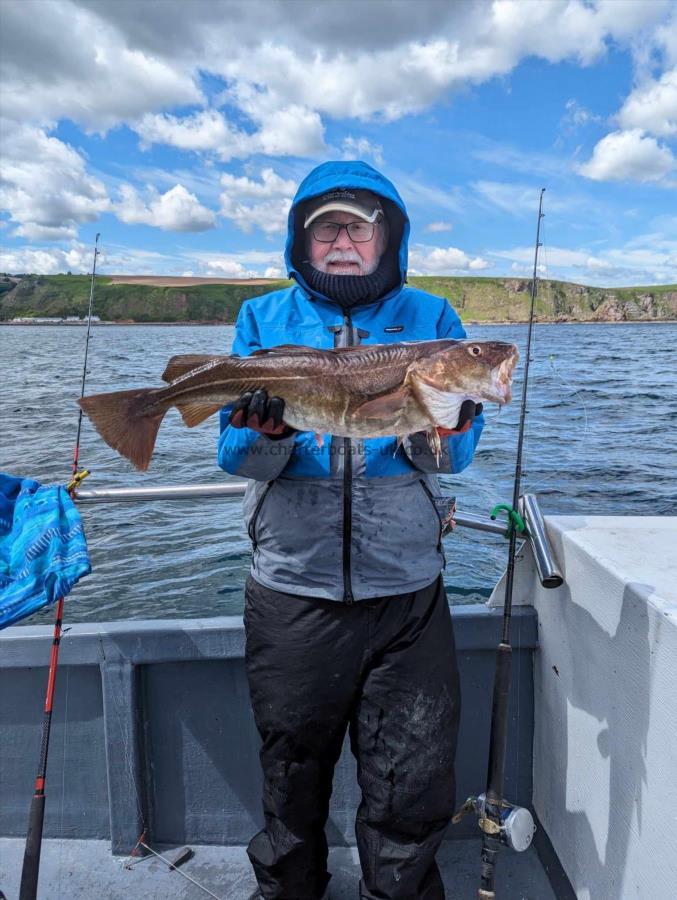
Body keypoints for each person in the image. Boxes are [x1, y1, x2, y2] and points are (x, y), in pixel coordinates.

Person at [218, 160, 484, 900]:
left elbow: (456, 459)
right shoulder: (261, 321)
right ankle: (287, 891)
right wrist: (266, 435)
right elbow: (234, 457)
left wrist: (445, 419)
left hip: (406, 593)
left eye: (357, 226)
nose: (341, 240)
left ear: (386, 237)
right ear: (299, 242)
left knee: (411, 783)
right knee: (291, 772)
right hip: (290, 592)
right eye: (324, 227)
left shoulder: (433, 321)